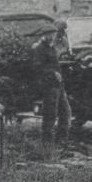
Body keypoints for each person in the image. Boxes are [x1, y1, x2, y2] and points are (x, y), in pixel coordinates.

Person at [33, 22, 72, 153]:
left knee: (65, 113)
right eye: (50, 34)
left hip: (59, 86)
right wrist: (52, 73)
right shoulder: (39, 49)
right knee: (50, 115)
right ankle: (47, 145)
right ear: (45, 35)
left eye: (53, 34)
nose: (52, 36)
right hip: (48, 86)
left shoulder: (52, 48)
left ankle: (62, 142)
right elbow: (38, 68)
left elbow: (57, 65)